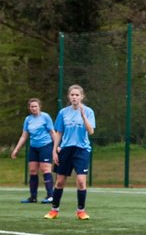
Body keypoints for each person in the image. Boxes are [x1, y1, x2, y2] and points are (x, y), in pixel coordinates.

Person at [45, 85, 96, 221]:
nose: (74, 97)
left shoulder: (89, 111)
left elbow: (91, 131)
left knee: (80, 181)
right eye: (72, 95)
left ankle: (81, 211)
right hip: (66, 149)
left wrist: (84, 117)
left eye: (77, 95)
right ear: (69, 96)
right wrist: (54, 150)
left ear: (82, 97)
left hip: (82, 149)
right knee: (60, 181)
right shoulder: (63, 112)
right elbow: (59, 132)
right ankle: (54, 210)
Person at [10, 98, 56, 203]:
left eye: (36, 106)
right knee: (33, 171)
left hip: (45, 146)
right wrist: (16, 149)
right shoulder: (28, 119)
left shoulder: (45, 117)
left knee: (45, 169)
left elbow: (52, 132)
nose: (34, 108)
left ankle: (50, 195)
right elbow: (24, 136)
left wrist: (57, 146)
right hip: (33, 147)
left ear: (39, 107)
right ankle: (33, 197)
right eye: (32, 106)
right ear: (29, 108)